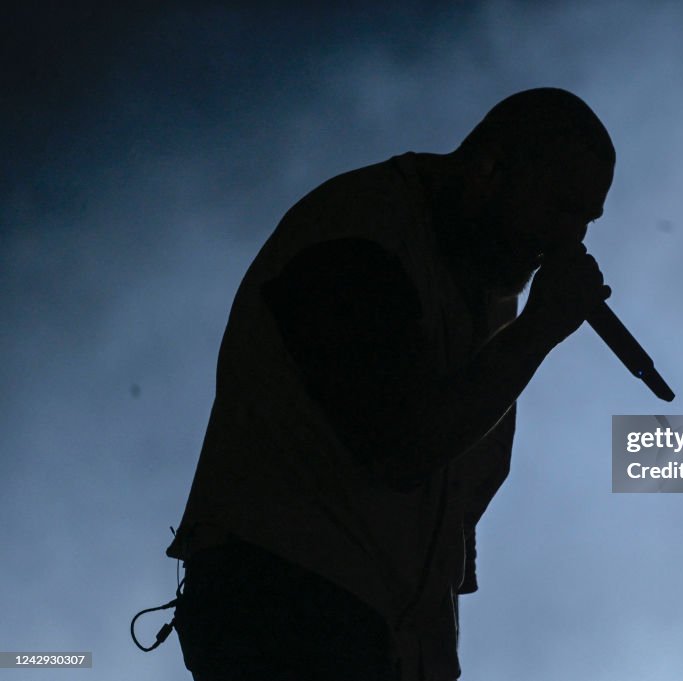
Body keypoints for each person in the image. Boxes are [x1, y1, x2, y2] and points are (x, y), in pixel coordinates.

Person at [166, 87, 615, 681]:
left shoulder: (487, 290)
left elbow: (452, 504)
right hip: (287, 608)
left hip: (379, 639)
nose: (571, 239)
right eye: (559, 207)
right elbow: (401, 444)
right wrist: (537, 332)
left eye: (585, 218)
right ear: (488, 168)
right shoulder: (359, 235)